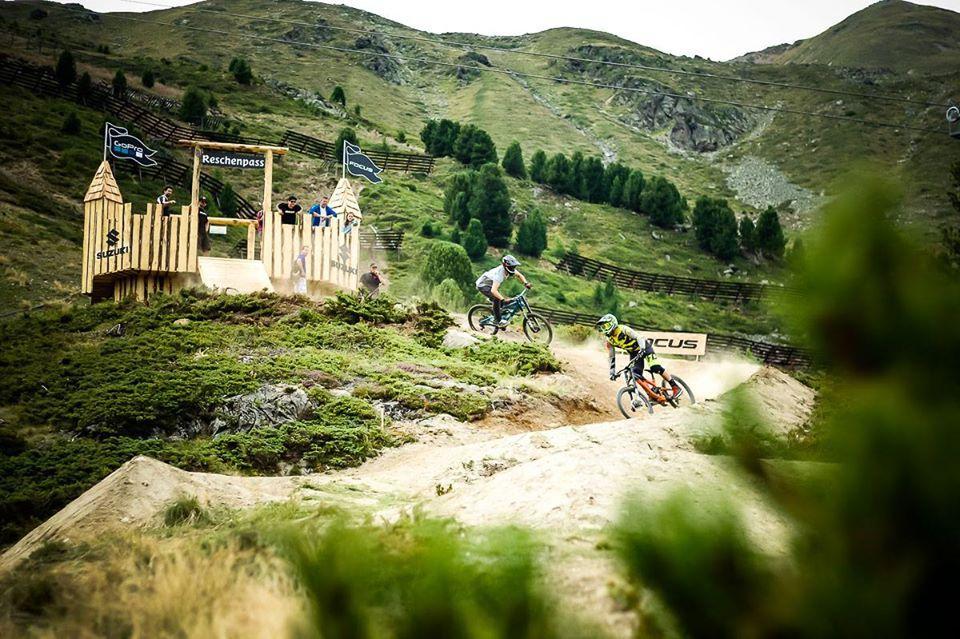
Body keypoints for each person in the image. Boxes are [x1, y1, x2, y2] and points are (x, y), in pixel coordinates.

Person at [595, 314, 682, 399]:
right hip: (634, 353)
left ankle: (675, 386)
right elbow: (611, 357)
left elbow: (639, 337)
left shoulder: (623, 329)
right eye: (603, 327)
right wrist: (612, 372)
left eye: (606, 326)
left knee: (655, 367)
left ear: (613, 323)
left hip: (644, 347)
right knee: (635, 374)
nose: (604, 329)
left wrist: (642, 348)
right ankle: (651, 393)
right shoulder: (609, 340)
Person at [475, 255, 531, 328]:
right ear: (505, 265)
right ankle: (498, 321)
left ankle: (500, 314)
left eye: (514, 267)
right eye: (511, 267)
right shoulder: (499, 274)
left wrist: (526, 283)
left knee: (501, 300)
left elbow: (519, 275)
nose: (513, 268)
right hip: (482, 285)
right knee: (497, 299)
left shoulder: (510, 269)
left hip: (491, 284)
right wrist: (503, 300)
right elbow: (493, 290)